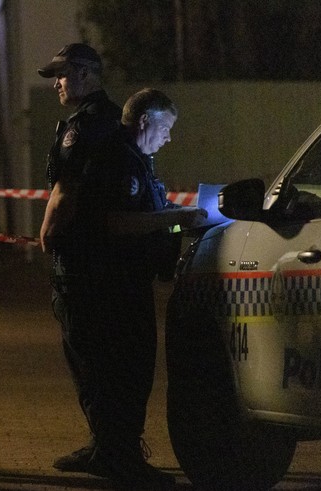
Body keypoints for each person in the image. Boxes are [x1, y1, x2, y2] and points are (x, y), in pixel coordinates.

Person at [43, 86, 207, 489]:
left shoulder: (135, 159)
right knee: (121, 375)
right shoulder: (118, 159)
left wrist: (173, 220)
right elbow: (115, 222)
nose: (169, 137)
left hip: (118, 284)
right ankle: (122, 460)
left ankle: (108, 450)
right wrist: (178, 217)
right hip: (104, 288)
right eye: (166, 128)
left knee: (111, 375)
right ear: (146, 121)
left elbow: (143, 216)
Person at [36, 42, 123, 473]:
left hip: (84, 261)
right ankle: (111, 443)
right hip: (111, 260)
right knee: (107, 355)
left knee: (87, 354)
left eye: (63, 74)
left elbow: (65, 191)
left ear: (87, 74)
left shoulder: (83, 126)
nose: (57, 82)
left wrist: (47, 234)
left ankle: (106, 447)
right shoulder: (113, 119)